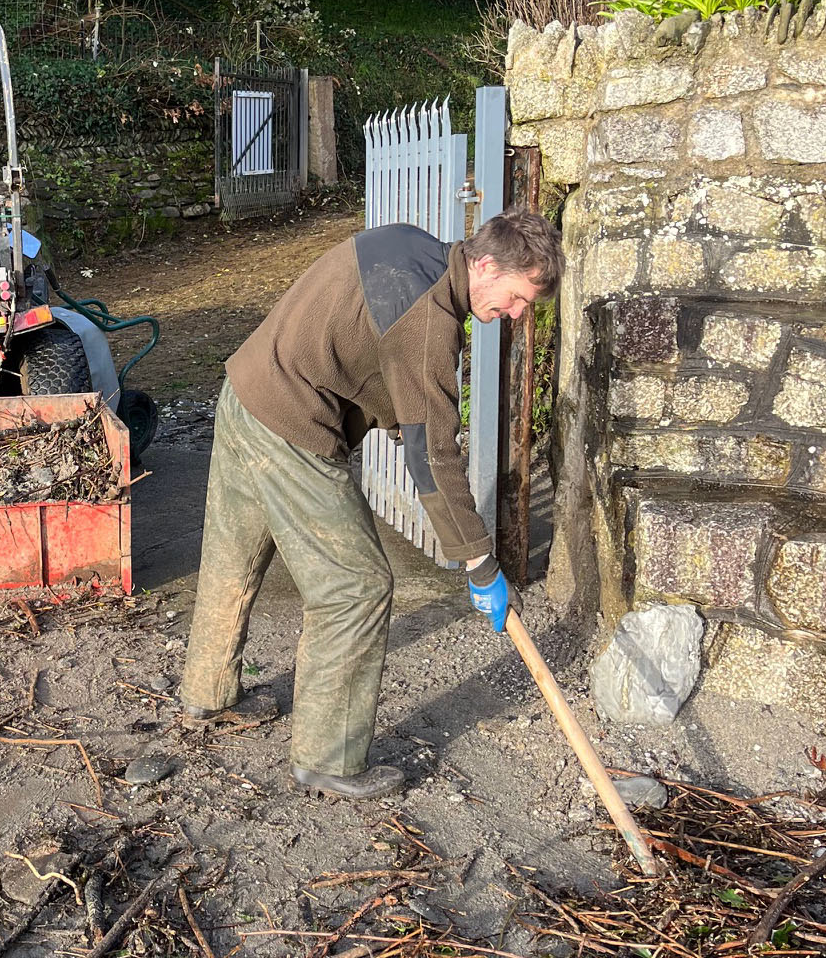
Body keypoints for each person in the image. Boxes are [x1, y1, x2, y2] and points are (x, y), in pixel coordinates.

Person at [178, 208, 565, 800]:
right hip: (288, 419)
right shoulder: (430, 318)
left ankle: (207, 695)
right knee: (356, 586)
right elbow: (433, 454)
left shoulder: (414, 247)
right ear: (486, 265)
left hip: (246, 390)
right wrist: (479, 562)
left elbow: (364, 342)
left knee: (232, 556)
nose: (516, 315)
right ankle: (328, 759)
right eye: (516, 297)